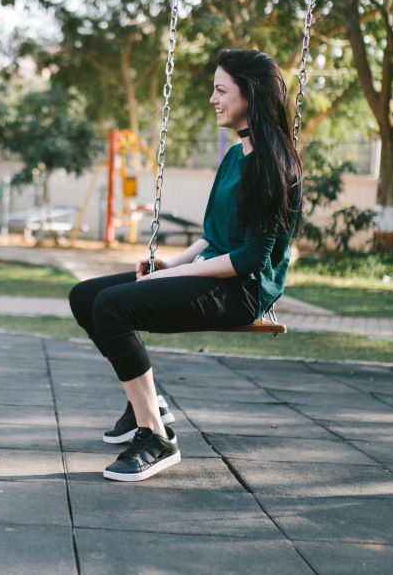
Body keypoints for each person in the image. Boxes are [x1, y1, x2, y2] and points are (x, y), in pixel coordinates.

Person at [69, 49, 302, 482]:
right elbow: (214, 234)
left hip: (243, 289)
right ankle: (148, 401)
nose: (213, 99)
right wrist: (170, 262)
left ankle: (155, 437)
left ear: (250, 94)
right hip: (215, 269)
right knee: (86, 297)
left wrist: (177, 274)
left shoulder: (273, 165)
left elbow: (249, 258)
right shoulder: (236, 156)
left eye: (221, 90)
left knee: (113, 308)